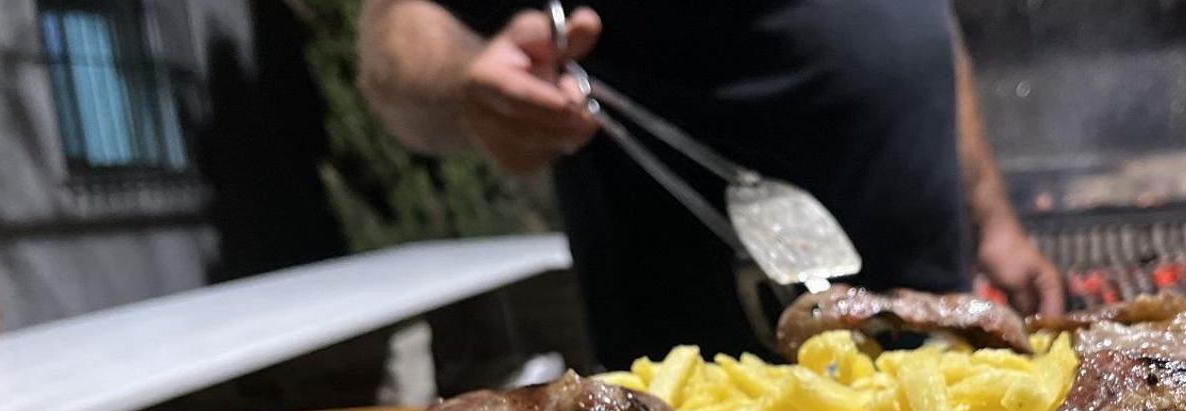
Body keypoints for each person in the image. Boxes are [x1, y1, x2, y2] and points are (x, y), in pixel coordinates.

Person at [357, 0, 1064, 369]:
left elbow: (927, 31)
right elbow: (394, 33)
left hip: (937, 330)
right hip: (719, 383)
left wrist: (993, 217)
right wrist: (469, 80)